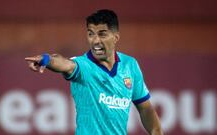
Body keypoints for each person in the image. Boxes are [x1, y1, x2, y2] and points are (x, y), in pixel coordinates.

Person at [25, 9, 163, 135]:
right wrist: (46, 59)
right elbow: (65, 64)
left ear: (115, 37)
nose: (95, 41)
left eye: (102, 34)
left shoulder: (130, 65)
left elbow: (145, 108)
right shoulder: (83, 66)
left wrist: (156, 131)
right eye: (91, 34)